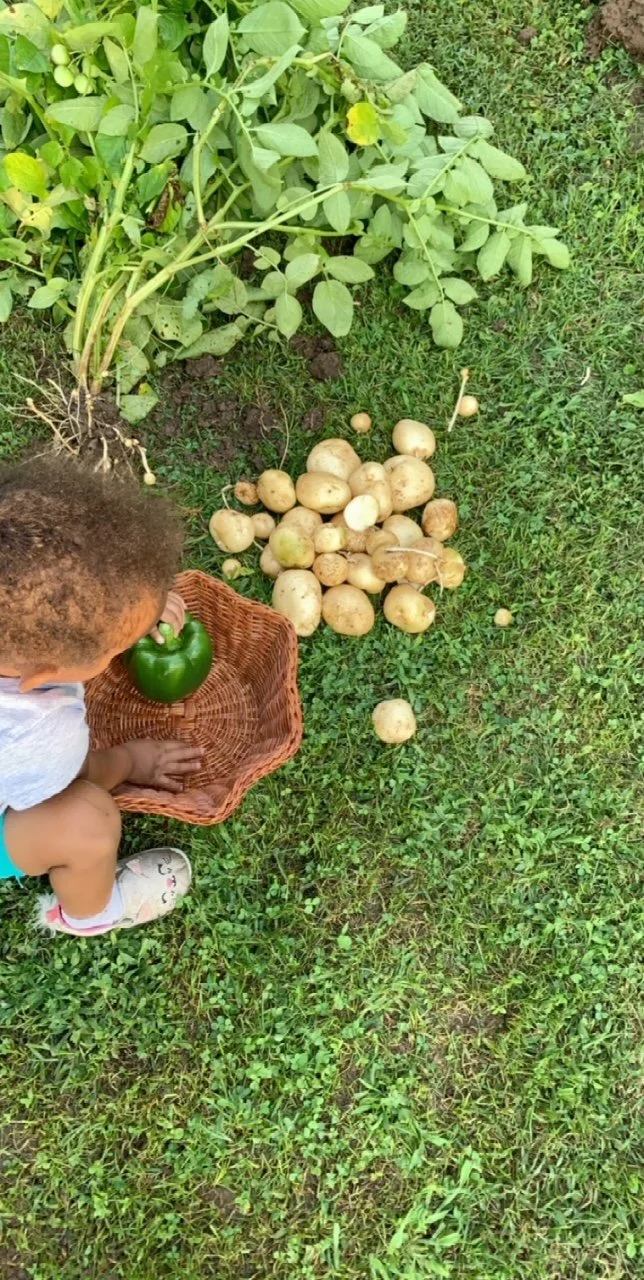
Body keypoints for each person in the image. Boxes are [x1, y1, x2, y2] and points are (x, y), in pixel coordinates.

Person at [0, 454, 204, 937]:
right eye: (118, 644)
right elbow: (85, 773)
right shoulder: (36, 730)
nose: (128, 645)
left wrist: (140, 605)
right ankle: (93, 912)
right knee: (88, 822)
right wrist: (132, 761)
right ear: (43, 673)